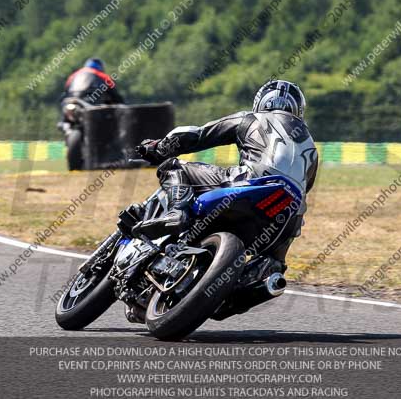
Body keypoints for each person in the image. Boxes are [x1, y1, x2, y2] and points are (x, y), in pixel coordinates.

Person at [134, 80, 318, 266]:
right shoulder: (311, 147)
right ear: (299, 109)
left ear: (261, 102)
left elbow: (198, 135)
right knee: (274, 264)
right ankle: (269, 269)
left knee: (173, 166)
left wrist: (159, 148)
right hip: (287, 213)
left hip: (251, 182)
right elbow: (305, 188)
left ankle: (177, 212)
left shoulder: (251, 118)